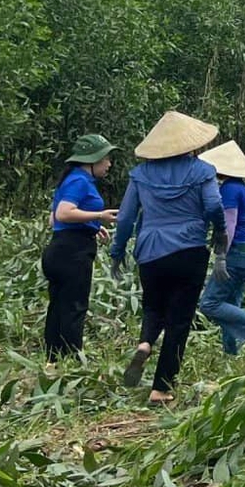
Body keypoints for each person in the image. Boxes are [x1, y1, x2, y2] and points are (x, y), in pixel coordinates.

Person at [109, 110, 224, 404]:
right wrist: (219, 235)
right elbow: (213, 205)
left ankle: (145, 342)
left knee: (153, 306)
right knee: (179, 319)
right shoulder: (202, 171)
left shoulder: (141, 174)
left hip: (150, 250)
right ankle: (161, 387)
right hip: (189, 249)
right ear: (191, 144)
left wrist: (117, 251)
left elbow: (125, 218)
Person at [42, 134, 118, 361]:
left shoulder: (71, 179)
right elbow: (63, 213)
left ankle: (53, 359)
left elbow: (53, 220)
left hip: (60, 248)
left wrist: (91, 226)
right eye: (106, 159)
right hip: (72, 253)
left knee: (58, 307)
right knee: (74, 307)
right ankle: (73, 358)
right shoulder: (79, 181)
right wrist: (100, 216)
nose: (109, 164)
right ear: (92, 160)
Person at [197, 140, 245, 354]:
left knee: (209, 304)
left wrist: (221, 255)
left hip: (235, 253)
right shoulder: (243, 189)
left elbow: (229, 224)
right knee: (230, 303)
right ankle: (231, 352)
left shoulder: (229, 190)